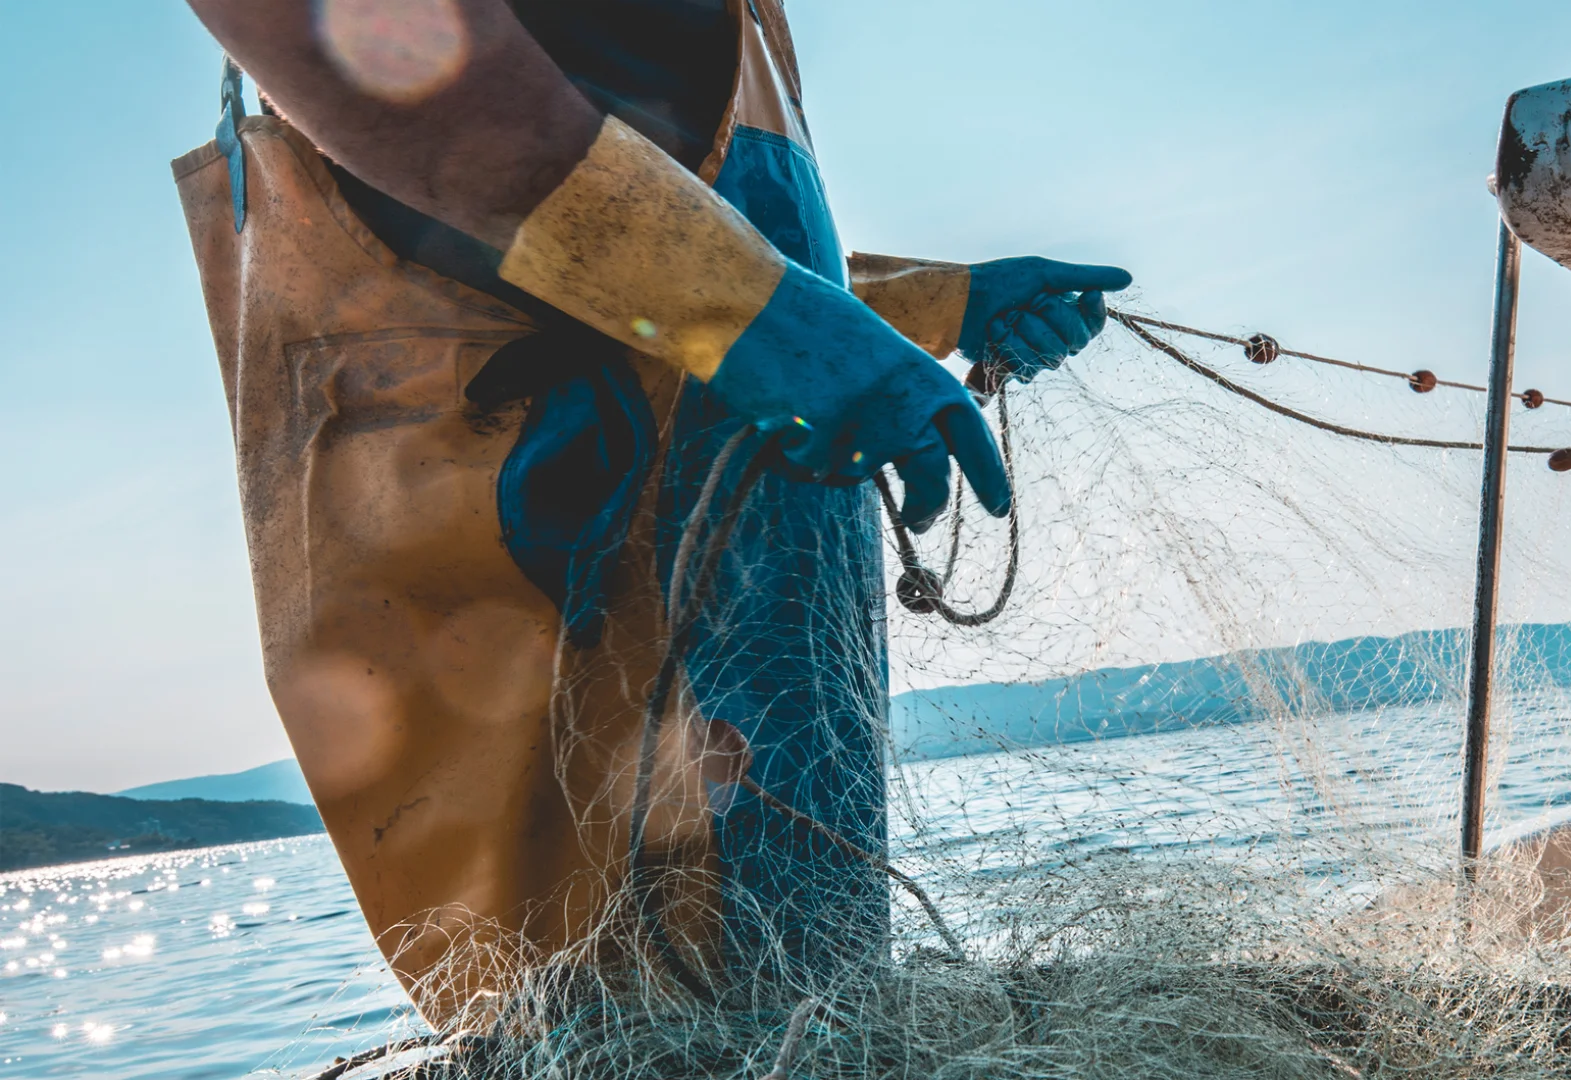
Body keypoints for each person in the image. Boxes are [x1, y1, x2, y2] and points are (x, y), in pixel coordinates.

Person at [174, 0, 1130, 1024]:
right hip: (563, 620)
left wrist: (928, 304)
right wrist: (749, 309)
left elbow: (675, 288)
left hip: (777, 673)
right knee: (676, 1018)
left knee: (820, 1017)